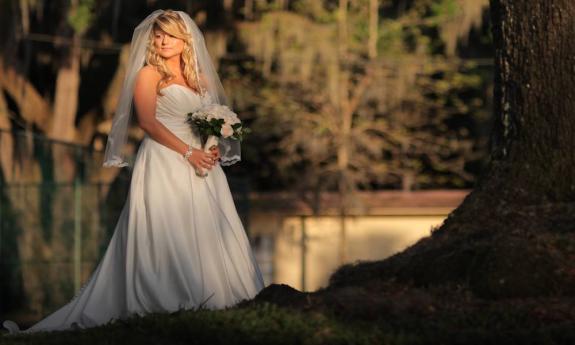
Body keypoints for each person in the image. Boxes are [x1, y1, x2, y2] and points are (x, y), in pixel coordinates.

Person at [2, 9, 265, 335]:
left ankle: (215, 296)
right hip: (165, 160)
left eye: (171, 34)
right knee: (164, 227)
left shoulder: (203, 80)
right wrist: (188, 151)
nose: (163, 40)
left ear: (186, 40)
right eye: (159, 34)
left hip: (202, 164)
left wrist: (210, 145)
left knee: (209, 225)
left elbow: (212, 120)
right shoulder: (149, 75)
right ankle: (163, 298)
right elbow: (148, 123)